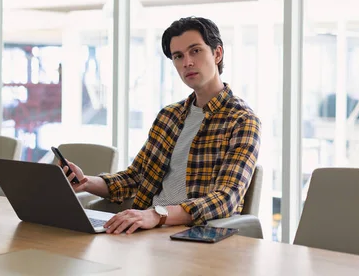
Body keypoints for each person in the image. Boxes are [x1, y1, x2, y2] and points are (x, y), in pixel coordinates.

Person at [62, 17, 261, 234]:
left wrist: (157, 215)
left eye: (195, 51)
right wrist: (86, 182)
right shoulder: (169, 116)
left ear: (217, 53)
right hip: (147, 230)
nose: (187, 63)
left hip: (195, 235)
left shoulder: (242, 120)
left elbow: (226, 198)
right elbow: (135, 178)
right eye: (178, 56)